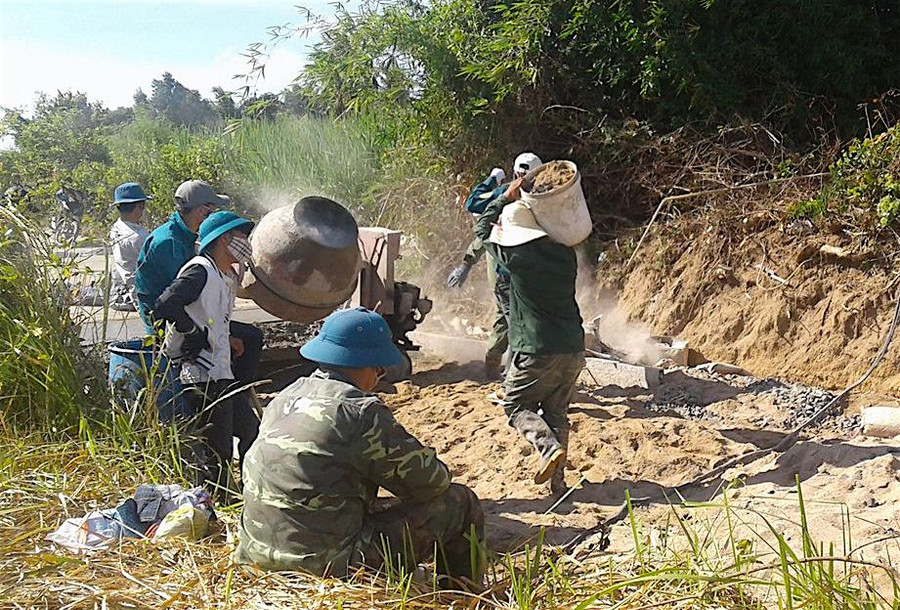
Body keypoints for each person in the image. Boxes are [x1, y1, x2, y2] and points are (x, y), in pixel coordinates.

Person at [238, 307, 485, 587]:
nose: (380, 375)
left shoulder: (286, 397)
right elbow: (433, 482)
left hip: (257, 554)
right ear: (371, 364)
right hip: (328, 566)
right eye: (380, 367)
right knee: (460, 502)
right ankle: (463, 597)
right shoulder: (359, 412)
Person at [474, 175, 584, 497]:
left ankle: (547, 449)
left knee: (515, 404)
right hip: (574, 348)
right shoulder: (566, 256)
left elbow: (482, 230)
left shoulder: (517, 259)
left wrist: (505, 197)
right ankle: (558, 484)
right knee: (556, 411)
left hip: (536, 348)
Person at [135, 179, 263, 419]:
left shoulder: (189, 237)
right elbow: (172, 301)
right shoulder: (168, 243)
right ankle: (227, 396)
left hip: (190, 311)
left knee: (250, 337)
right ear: (202, 211)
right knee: (241, 339)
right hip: (167, 321)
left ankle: (235, 394)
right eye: (211, 210)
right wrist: (198, 333)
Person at [155, 211, 259, 500]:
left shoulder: (223, 274)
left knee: (250, 429)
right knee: (218, 446)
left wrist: (228, 339)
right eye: (241, 236)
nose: (245, 243)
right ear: (225, 238)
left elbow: (211, 316)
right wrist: (192, 333)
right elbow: (166, 303)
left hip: (220, 371)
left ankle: (246, 491)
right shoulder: (199, 270)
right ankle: (218, 500)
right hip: (201, 374)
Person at [446, 153, 543, 379]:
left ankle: (495, 366)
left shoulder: (525, 198)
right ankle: (508, 372)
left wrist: (493, 180)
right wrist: (467, 263)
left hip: (520, 271)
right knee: (515, 322)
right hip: (510, 271)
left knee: (508, 320)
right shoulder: (514, 195)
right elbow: (480, 218)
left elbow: (480, 218)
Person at [108, 182, 152, 311]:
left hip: (121, 289)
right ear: (139, 206)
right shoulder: (139, 237)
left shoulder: (116, 228)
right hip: (140, 292)